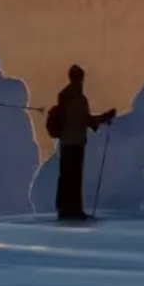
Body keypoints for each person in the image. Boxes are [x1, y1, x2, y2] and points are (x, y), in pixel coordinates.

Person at [56, 65, 116, 221]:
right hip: (75, 142)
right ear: (80, 79)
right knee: (74, 176)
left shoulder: (64, 96)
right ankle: (74, 210)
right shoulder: (78, 98)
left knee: (66, 176)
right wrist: (104, 118)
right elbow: (85, 120)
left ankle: (65, 209)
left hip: (65, 141)